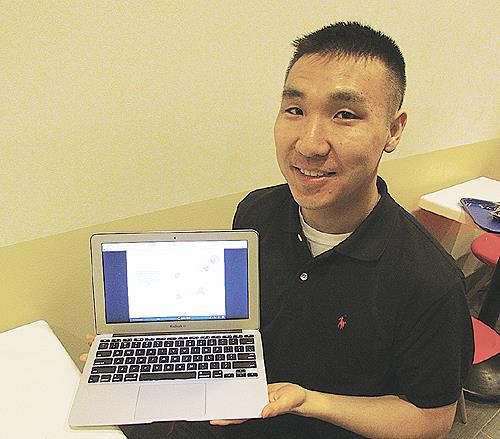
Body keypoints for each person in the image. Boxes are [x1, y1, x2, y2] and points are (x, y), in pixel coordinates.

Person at [97, 21, 473, 439]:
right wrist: (152, 348)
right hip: (232, 414)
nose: (309, 144)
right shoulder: (257, 211)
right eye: (295, 110)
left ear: (393, 130)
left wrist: (307, 400)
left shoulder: (430, 279)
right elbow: (242, 324)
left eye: (345, 115)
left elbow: (430, 418)